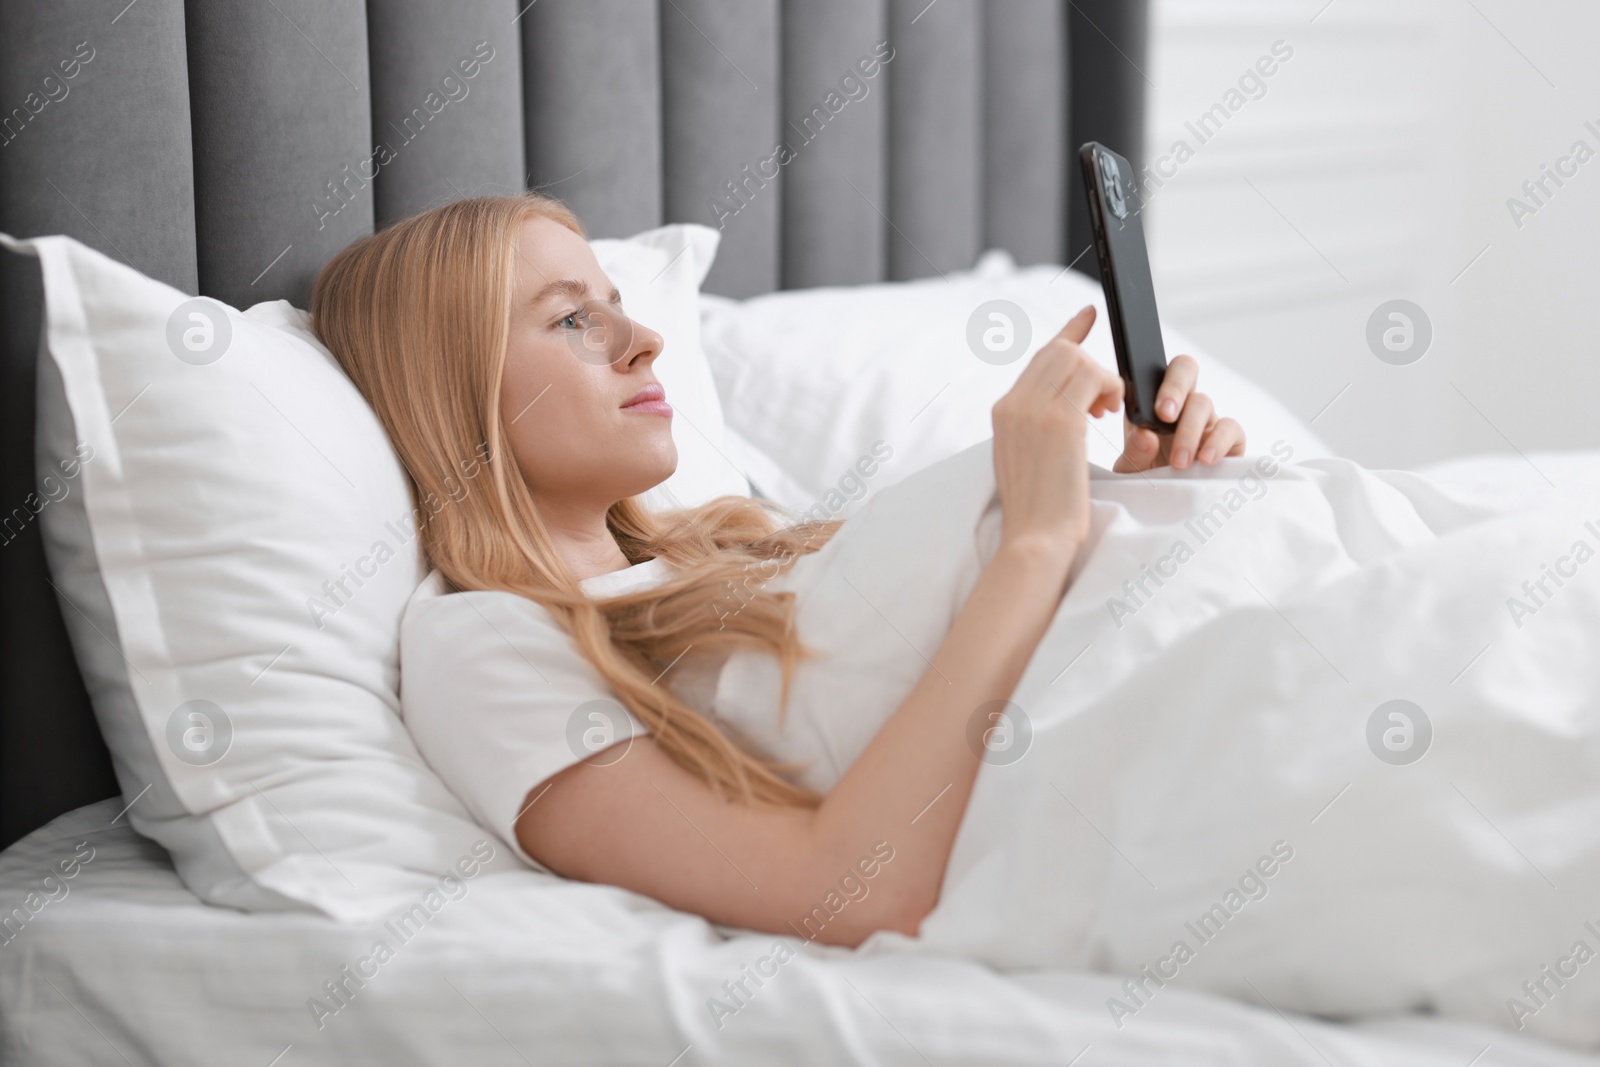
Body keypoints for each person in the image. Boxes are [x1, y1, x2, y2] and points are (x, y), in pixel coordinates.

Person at [309, 192, 1246, 948]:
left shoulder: (734, 541)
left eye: (621, 307)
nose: (644, 341)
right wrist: (1039, 543)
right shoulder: (480, 640)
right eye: (571, 320)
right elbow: (837, 890)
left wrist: (1138, 502)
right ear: (456, 394)